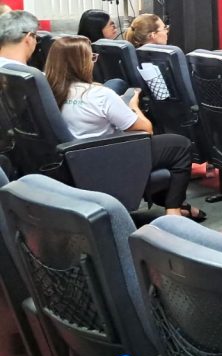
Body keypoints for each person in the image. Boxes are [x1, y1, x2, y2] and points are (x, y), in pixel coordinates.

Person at [43, 36, 204, 221]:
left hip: (76, 160)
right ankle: (173, 211)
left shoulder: (49, 91)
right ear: (80, 63)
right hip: (110, 156)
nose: (94, 62)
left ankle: (178, 205)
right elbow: (145, 130)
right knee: (180, 145)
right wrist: (133, 106)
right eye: (91, 57)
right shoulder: (99, 94)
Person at [123, 13, 172, 100]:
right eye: (164, 28)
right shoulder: (166, 60)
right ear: (153, 35)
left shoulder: (132, 56)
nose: (167, 31)